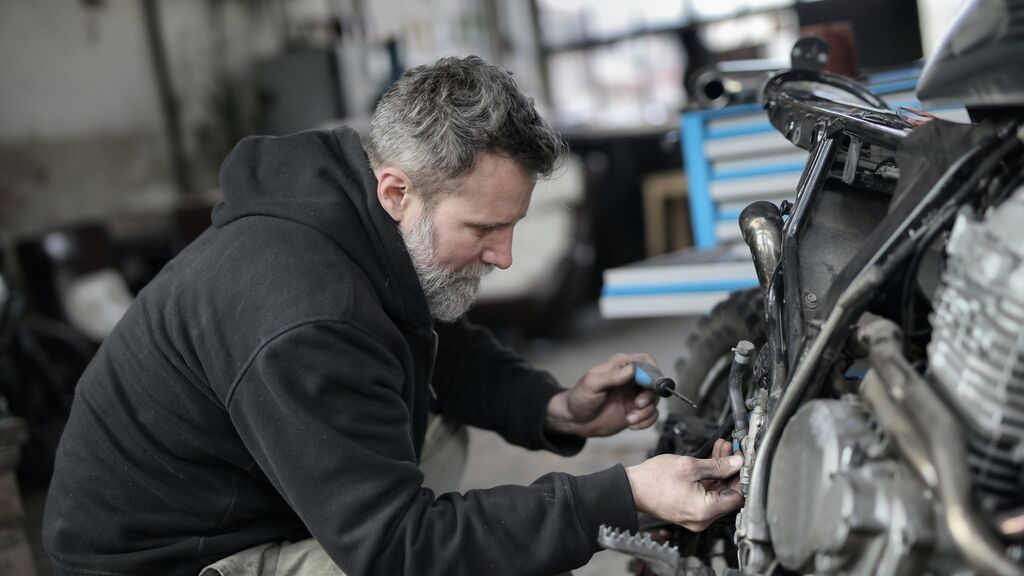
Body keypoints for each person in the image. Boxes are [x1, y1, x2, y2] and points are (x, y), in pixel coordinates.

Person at [43, 55, 743, 576]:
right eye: (483, 228)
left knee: (437, 419)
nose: (502, 256)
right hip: (164, 562)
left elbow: (440, 346)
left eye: (512, 227)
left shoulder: (350, 215)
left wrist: (557, 407)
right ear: (396, 189)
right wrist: (621, 497)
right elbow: (401, 549)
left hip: (238, 492)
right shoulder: (308, 315)